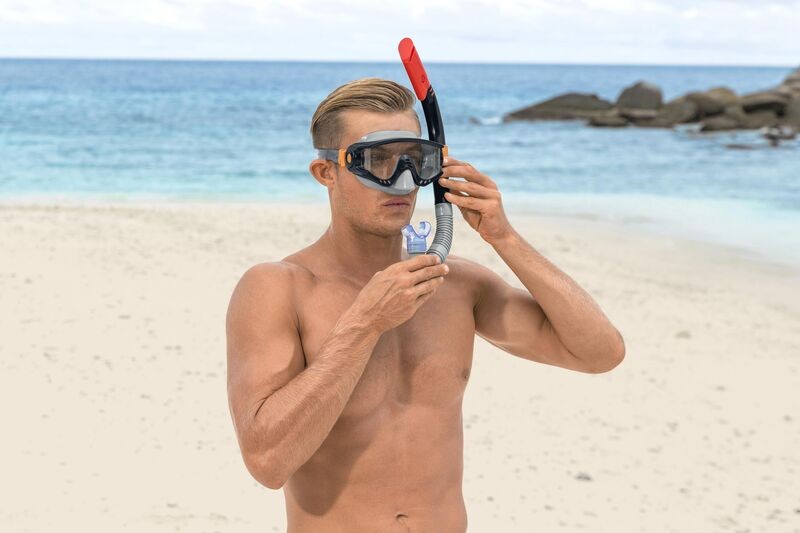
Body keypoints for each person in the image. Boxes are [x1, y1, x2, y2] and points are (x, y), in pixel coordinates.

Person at [225, 77, 625, 532]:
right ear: (327, 173)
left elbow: (600, 353)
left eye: (415, 160)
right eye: (377, 160)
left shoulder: (457, 285)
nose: (402, 181)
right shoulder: (279, 288)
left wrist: (504, 237)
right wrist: (364, 324)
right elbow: (267, 462)